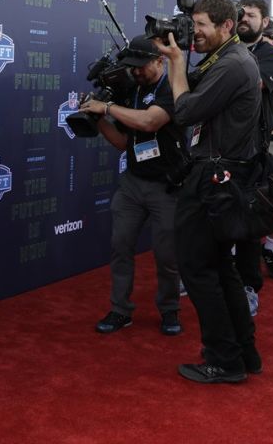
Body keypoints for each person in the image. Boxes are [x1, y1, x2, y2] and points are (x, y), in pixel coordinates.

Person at [154, 0, 262, 384]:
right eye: (193, 24)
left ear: (226, 27)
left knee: (199, 269)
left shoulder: (233, 64)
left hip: (212, 179)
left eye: (200, 25)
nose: (193, 33)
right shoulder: (227, 59)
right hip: (220, 177)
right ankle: (244, 353)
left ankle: (225, 359)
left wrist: (176, 63)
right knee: (220, 267)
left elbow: (184, 111)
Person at [76, 36, 189, 337]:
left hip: (168, 185)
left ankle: (169, 310)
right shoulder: (130, 91)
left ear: (159, 61)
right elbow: (123, 143)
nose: (137, 73)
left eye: (142, 67)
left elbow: (150, 122)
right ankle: (120, 310)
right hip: (133, 183)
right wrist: (96, 116)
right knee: (120, 246)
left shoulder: (173, 88)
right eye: (132, 68)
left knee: (167, 256)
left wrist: (107, 107)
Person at [233, 0, 273, 288]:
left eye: (251, 15)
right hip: (230, 139)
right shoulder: (223, 50)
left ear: (265, 22)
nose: (244, 18)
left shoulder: (270, 54)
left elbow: (256, 84)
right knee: (229, 198)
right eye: (240, 14)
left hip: (269, 139)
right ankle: (233, 256)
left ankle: (270, 248)